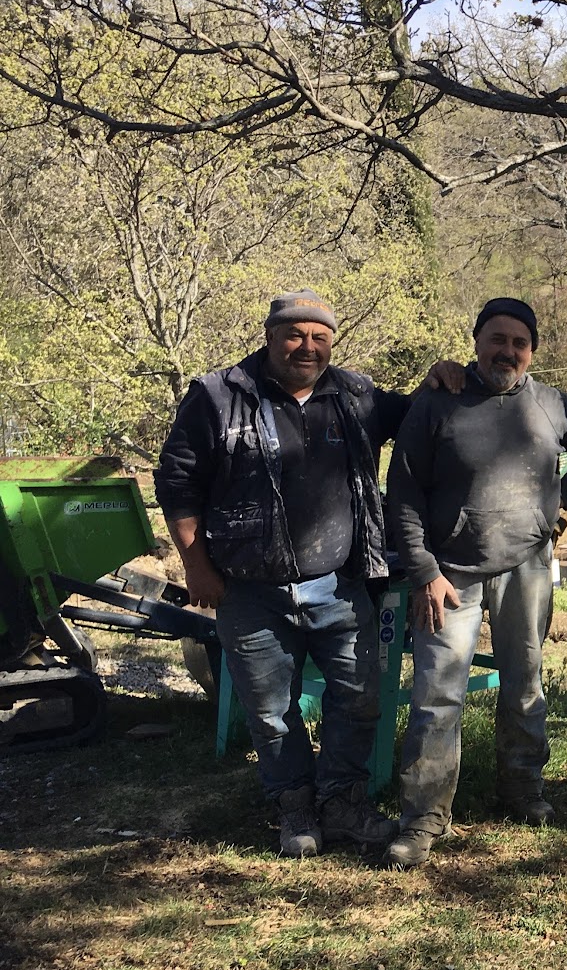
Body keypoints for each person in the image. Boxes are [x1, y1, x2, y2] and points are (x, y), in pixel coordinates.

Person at [155, 289, 444, 858]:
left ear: (331, 342)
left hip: (341, 586)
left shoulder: (357, 396)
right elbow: (177, 484)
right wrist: (196, 566)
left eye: (319, 337)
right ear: (270, 336)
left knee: (358, 698)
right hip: (249, 589)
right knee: (270, 710)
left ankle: (342, 804)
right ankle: (294, 810)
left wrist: (444, 374)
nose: (307, 347)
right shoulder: (217, 397)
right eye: (295, 334)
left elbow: (423, 415)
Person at [384, 297, 567, 868]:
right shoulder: (438, 401)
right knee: (437, 695)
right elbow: (405, 491)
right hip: (448, 575)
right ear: (477, 340)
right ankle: (425, 814)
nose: (507, 350)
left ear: (531, 350)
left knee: (525, 681)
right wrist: (423, 569)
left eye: (519, 342)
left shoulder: (551, 403)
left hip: (527, 567)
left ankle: (522, 790)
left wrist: (561, 504)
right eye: (497, 338)